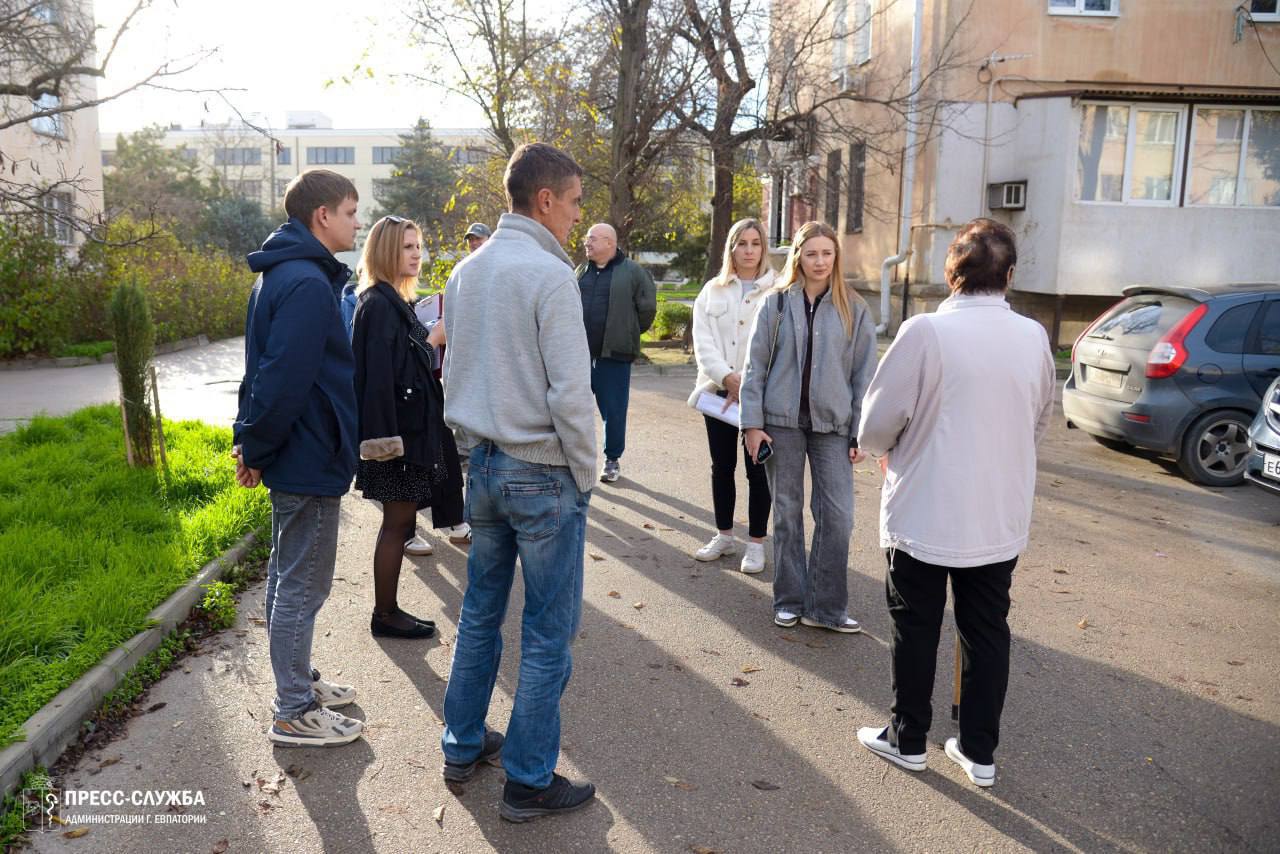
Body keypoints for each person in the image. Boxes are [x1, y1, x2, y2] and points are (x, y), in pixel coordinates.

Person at [854, 218, 1055, 789]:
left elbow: (875, 424)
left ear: (951, 275)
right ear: (1009, 275)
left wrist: (882, 450)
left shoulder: (925, 333)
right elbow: (1039, 417)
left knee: (915, 626)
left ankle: (908, 737)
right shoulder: (1034, 337)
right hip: (998, 512)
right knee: (986, 628)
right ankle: (978, 750)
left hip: (925, 507)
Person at [439, 142, 599, 822]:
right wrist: (587, 471)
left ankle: (463, 741)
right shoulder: (549, 275)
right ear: (545, 201)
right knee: (545, 630)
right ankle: (528, 779)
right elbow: (571, 394)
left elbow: (453, 374)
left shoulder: (466, 273)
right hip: (542, 471)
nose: (575, 215)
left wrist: (473, 447)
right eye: (573, 202)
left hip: (483, 466)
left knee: (479, 612)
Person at [232, 169, 364, 747]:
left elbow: (258, 371)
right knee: (304, 584)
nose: (357, 222)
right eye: (352, 211)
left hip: (297, 450)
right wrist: (256, 444)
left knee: (291, 578)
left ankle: (296, 680)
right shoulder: (307, 283)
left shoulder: (282, 275)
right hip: (307, 453)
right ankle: (293, 708)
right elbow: (281, 379)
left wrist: (250, 441)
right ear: (323, 217)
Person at [739, 220, 877, 634]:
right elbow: (755, 367)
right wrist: (751, 425)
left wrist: (860, 431)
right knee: (786, 513)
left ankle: (827, 608)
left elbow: (864, 377)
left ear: (836, 257)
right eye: (811, 253)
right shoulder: (776, 304)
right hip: (780, 425)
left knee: (838, 517)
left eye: (827, 253)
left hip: (833, 426)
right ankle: (789, 600)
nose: (819, 261)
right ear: (798, 256)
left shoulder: (855, 307)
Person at [351, 215, 467, 639]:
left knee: (399, 525)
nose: (416, 254)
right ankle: (385, 615)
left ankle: (388, 611)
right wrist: (388, 445)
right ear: (385, 251)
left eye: (418, 246)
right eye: (406, 247)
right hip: (396, 440)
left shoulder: (391, 300)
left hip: (406, 433)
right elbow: (378, 379)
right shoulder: (379, 304)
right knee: (396, 526)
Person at [688, 217, 776, 574]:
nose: (749, 250)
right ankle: (724, 535)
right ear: (732, 248)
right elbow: (703, 341)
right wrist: (727, 377)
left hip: (760, 396)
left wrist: (749, 384)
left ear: (763, 247)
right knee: (721, 467)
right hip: (718, 394)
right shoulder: (713, 290)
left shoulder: (777, 290)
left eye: (755, 243)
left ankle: (756, 543)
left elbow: (779, 344)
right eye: (742, 243)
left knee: (758, 470)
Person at [575, 222, 657, 483]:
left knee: (613, 410)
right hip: (578, 357)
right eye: (587, 239)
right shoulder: (580, 272)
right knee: (573, 409)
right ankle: (576, 460)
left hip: (615, 355)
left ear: (610, 243)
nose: (587, 243)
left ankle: (612, 460)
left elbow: (647, 310)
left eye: (593, 239)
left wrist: (628, 331)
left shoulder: (632, 272)